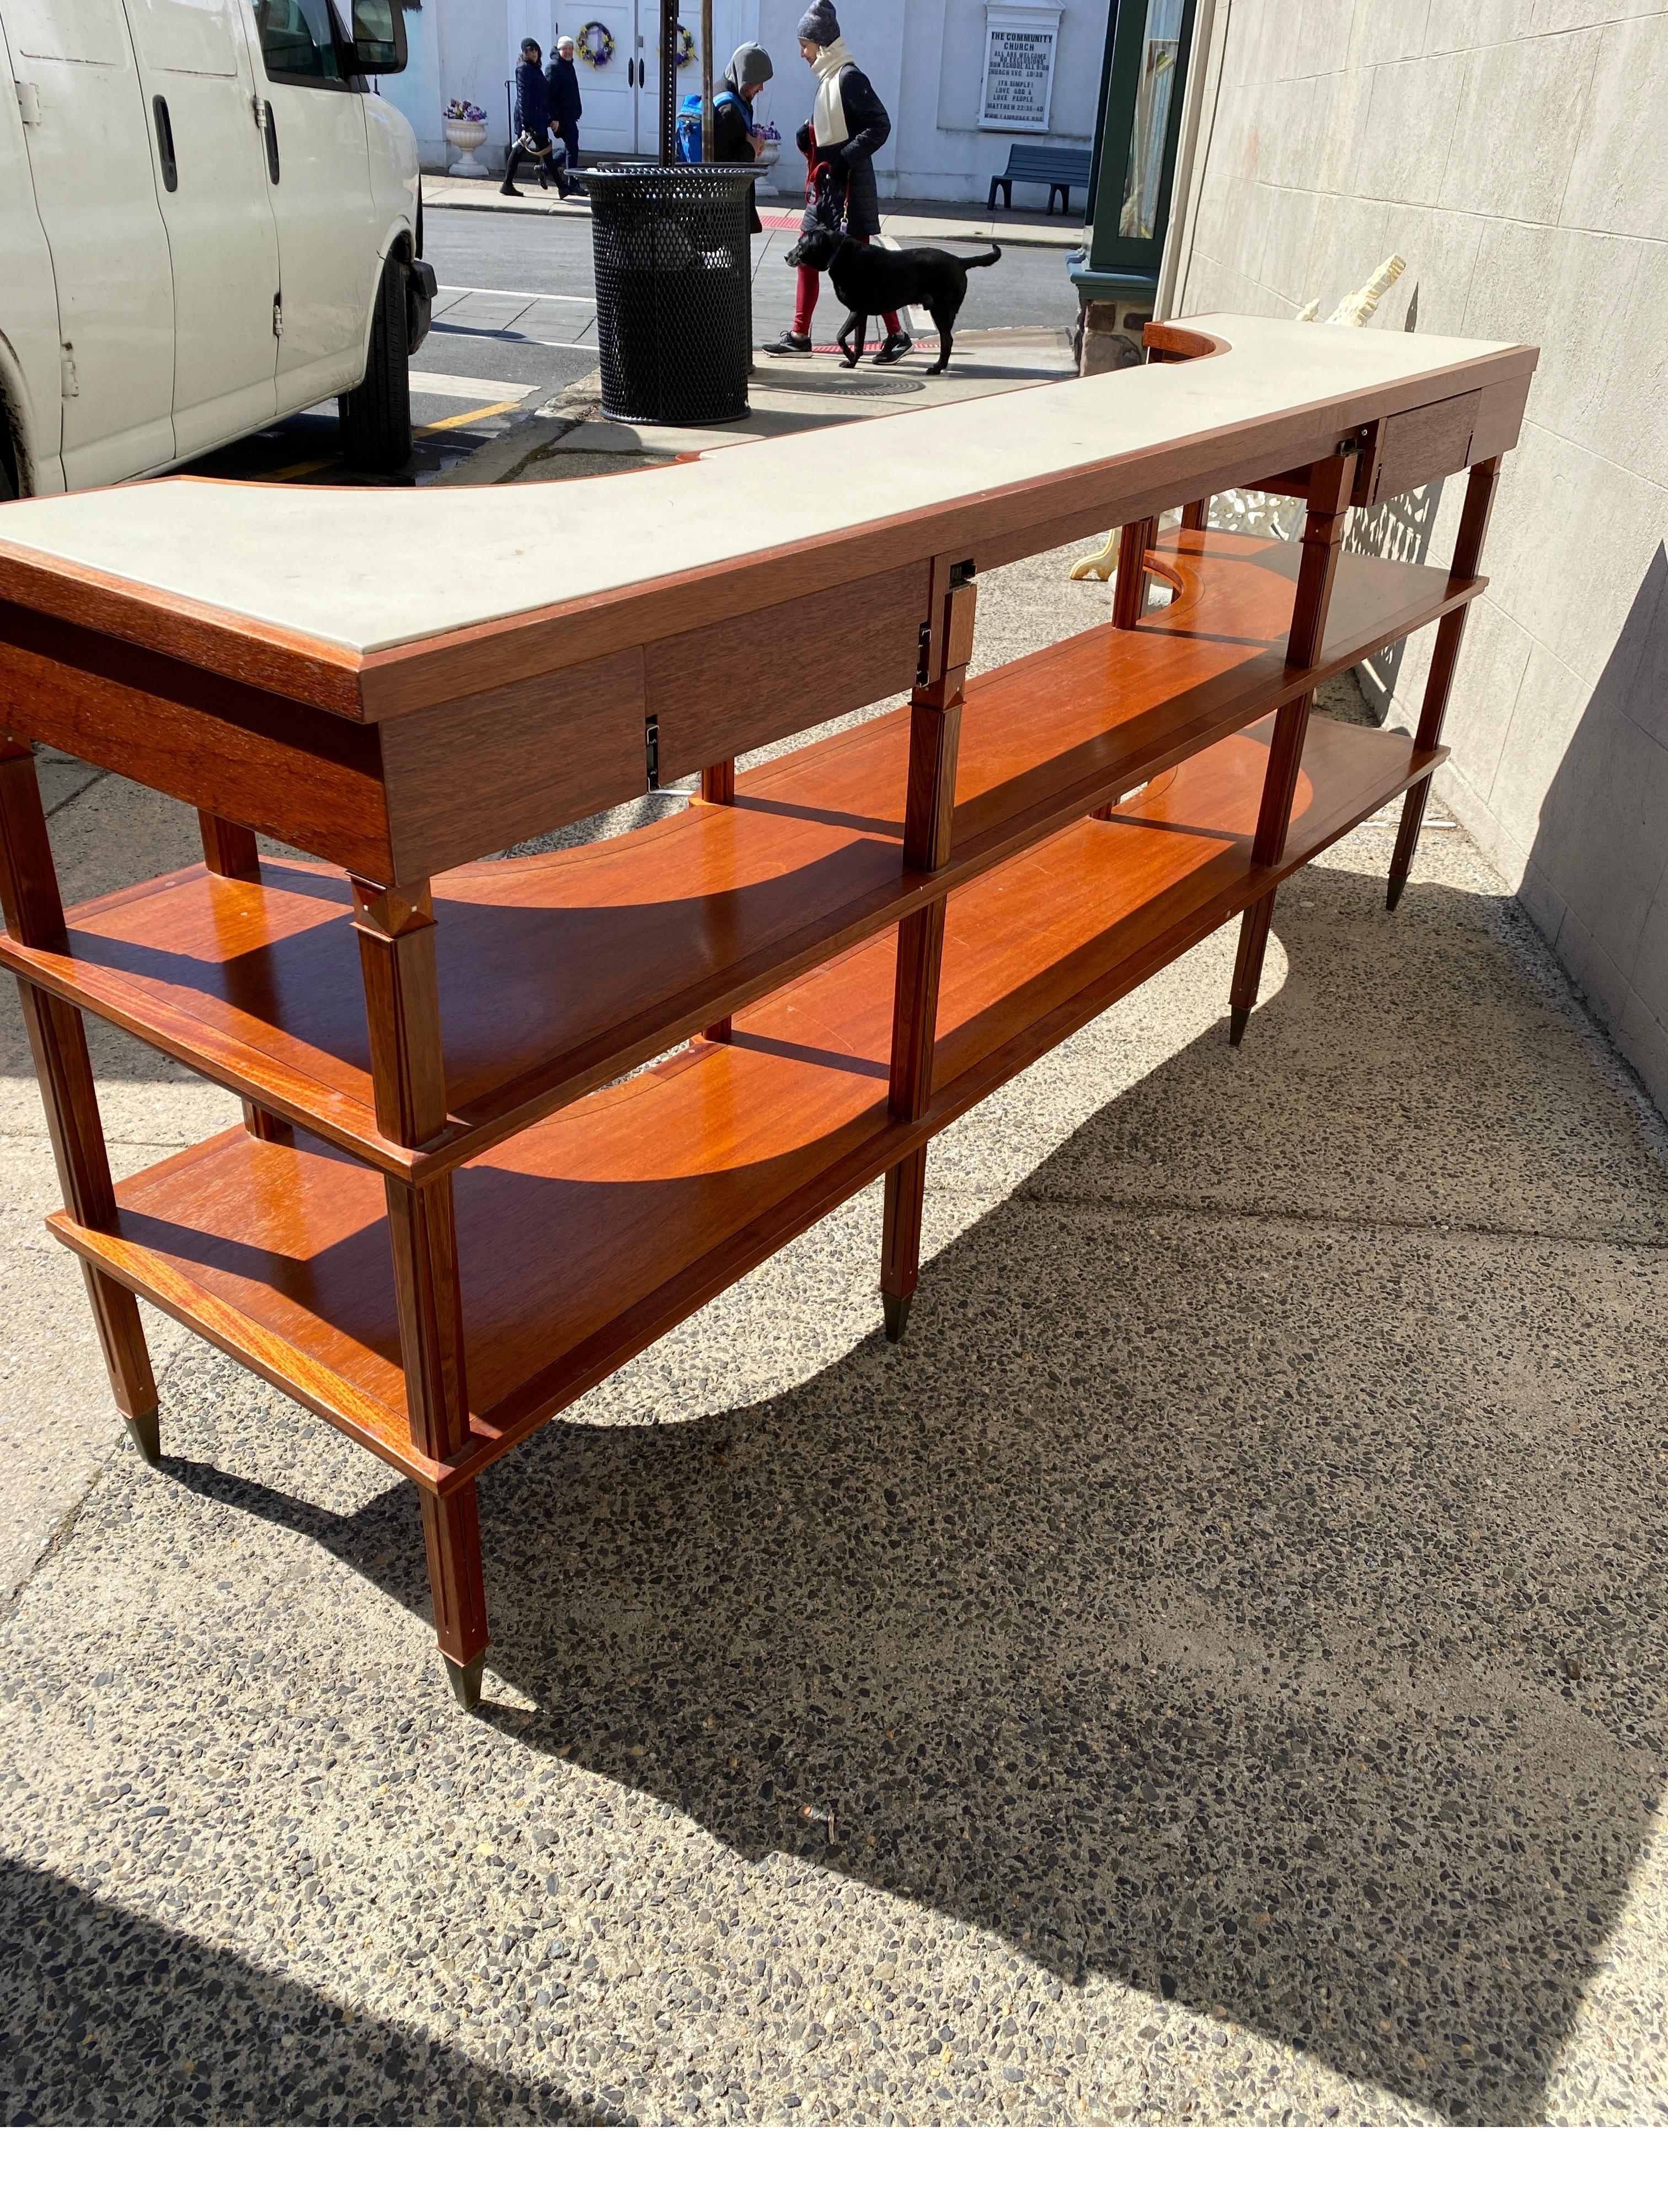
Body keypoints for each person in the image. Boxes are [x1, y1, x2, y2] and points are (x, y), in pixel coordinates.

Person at [763, 3, 908, 363]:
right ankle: (800, 335)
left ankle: (897, 334)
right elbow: (832, 130)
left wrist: (844, 158)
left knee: (863, 269)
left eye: (805, 45)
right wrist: (807, 135)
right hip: (827, 188)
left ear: (820, 43)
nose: (801, 53)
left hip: (848, 189)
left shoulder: (848, 78)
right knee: (807, 257)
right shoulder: (830, 79)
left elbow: (880, 126)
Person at [710, 42, 774, 235]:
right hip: (726, 212)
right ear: (745, 78)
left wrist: (751, 140)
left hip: (728, 206)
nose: (761, 88)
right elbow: (721, 166)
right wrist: (751, 148)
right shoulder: (728, 110)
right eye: (757, 81)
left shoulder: (729, 94)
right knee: (737, 263)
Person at [501, 37, 570, 199]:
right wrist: (527, 124)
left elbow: (542, 95)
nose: (533, 53)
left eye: (536, 50)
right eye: (530, 50)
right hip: (531, 118)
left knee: (520, 149)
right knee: (545, 151)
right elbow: (523, 97)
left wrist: (548, 118)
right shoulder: (523, 69)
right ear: (525, 53)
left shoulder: (534, 68)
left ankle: (507, 184)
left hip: (538, 117)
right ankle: (562, 187)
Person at [545, 35, 584, 188]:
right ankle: (572, 182)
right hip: (561, 116)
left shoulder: (569, 65)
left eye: (570, 49)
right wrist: (553, 119)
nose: (568, 52)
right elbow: (549, 95)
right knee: (573, 148)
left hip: (571, 115)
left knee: (571, 148)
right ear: (559, 49)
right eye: (565, 49)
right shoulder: (554, 67)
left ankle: (544, 169)